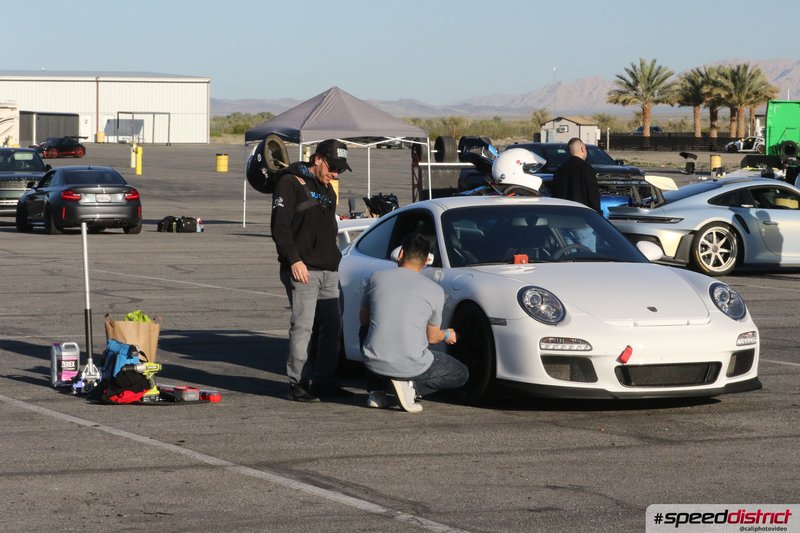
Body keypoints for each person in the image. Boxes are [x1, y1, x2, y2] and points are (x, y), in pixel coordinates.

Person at [271, 139, 352, 402]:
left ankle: (324, 381)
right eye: (333, 167)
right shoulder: (290, 182)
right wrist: (294, 260)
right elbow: (280, 227)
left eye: (340, 170)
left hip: (329, 269)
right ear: (318, 159)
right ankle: (299, 382)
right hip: (303, 269)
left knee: (332, 327)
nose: (335, 174)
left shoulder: (329, 190)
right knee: (303, 327)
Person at [359, 233, 468, 412]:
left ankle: (376, 391)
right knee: (461, 373)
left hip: (374, 361)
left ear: (400, 254)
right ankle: (410, 386)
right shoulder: (435, 290)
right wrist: (447, 334)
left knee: (367, 329)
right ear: (426, 261)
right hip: (410, 364)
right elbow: (432, 338)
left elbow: (363, 320)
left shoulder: (376, 277)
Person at [550, 137, 601, 214]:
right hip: (582, 216)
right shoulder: (586, 169)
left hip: (563, 216)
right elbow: (593, 197)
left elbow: (555, 196)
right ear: (583, 148)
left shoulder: (559, 170)